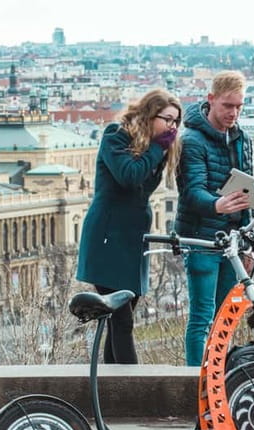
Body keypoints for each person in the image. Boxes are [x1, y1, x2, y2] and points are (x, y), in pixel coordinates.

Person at [76, 88, 181, 364]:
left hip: (133, 242)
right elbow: (129, 176)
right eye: (167, 119)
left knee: (119, 320)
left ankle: (113, 390)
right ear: (149, 114)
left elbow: (142, 190)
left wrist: (158, 150)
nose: (172, 127)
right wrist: (158, 148)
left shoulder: (154, 150)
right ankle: (133, 389)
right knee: (122, 321)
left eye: (175, 122)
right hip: (108, 239)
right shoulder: (116, 136)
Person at [177, 71, 253, 366]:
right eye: (227, 106)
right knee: (202, 318)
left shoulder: (241, 138)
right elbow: (192, 192)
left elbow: (245, 192)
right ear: (211, 100)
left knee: (225, 319)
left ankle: (219, 377)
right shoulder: (193, 140)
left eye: (239, 107)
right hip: (202, 238)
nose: (233, 113)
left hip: (232, 241)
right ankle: (195, 382)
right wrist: (217, 205)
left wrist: (248, 241)